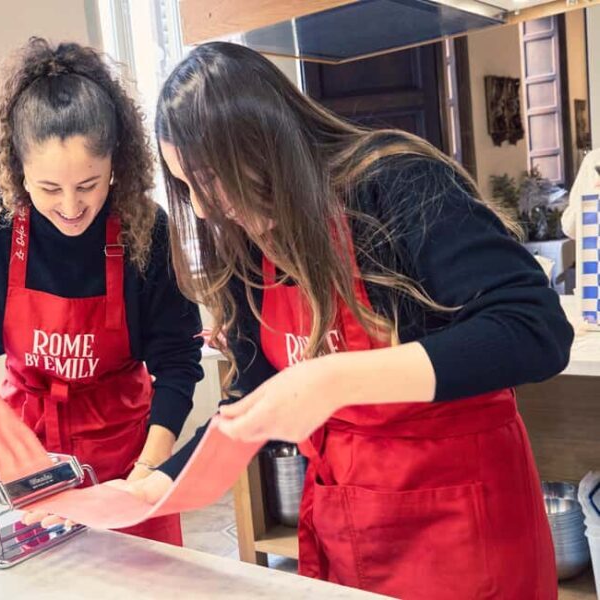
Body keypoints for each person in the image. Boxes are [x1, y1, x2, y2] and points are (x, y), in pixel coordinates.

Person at [121, 42, 572, 598]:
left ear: (265, 142)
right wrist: (163, 480)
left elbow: (536, 331)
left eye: (209, 178)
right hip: (349, 523)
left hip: (464, 523)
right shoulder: (245, 240)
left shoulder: (395, 181)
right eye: (186, 188)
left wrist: (335, 378)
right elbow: (255, 389)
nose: (205, 208)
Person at [0, 37, 203, 546]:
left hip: (128, 456)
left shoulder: (146, 228)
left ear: (116, 165)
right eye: (49, 188)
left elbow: (179, 360)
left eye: (90, 185)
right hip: (28, 460)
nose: (72, 207)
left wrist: (145, 474)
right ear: (18, 169)